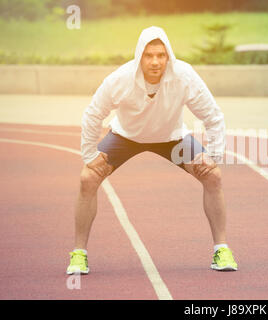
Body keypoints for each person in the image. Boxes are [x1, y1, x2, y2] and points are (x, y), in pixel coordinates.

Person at [66, 26, 238, 275]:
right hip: (125, 137)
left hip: (171, 138)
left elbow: (213, 116)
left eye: (160, 55)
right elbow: (93, 113)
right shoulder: (121, 79)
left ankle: (222, 249)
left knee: (213, 176)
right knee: (87, 179)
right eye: (149, 56)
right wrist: (89, 155)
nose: (155, 61)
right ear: (139, 57)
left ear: (168, 56)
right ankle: (79, 254)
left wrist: (213, 155)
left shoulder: (184, 76)